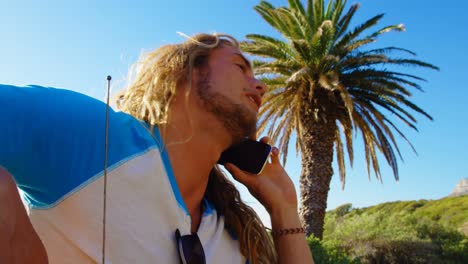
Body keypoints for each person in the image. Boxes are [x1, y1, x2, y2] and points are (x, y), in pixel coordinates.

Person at [0, 33, 313, 264]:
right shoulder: (96, 138)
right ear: (185, 73)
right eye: (240, 67)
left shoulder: (230, 236)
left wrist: (285, 208)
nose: (260, 86)